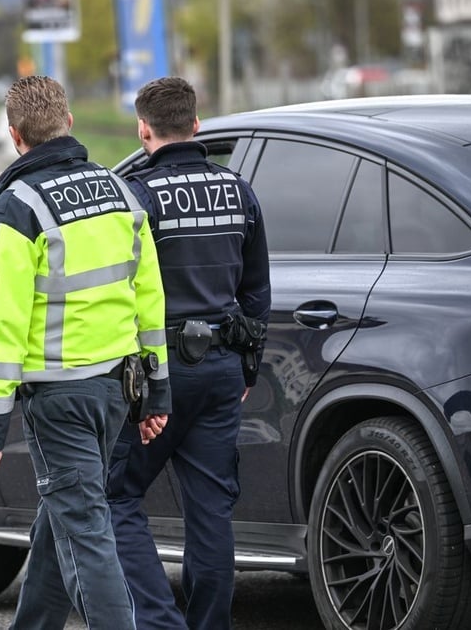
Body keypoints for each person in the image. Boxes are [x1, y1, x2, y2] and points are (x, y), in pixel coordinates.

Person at [0, 75, 171, 630]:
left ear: (15, 136)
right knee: (64, 515)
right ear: (70, 123)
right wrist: (157, 390)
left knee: (84, 530)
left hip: (59, 399)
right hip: (115, 392)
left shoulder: (17, 209)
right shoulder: (120, 191)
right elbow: (149, 298)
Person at [107, 76, 271, 630]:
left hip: (157, 373)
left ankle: (157, 622)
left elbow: (119, 291)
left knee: (115, 496)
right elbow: (256, 291)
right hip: (223, 370)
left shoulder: (136, 195)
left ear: (143, 129)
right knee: (210, 515)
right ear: (196, 125)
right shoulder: (238, 190)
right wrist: (247, 364)